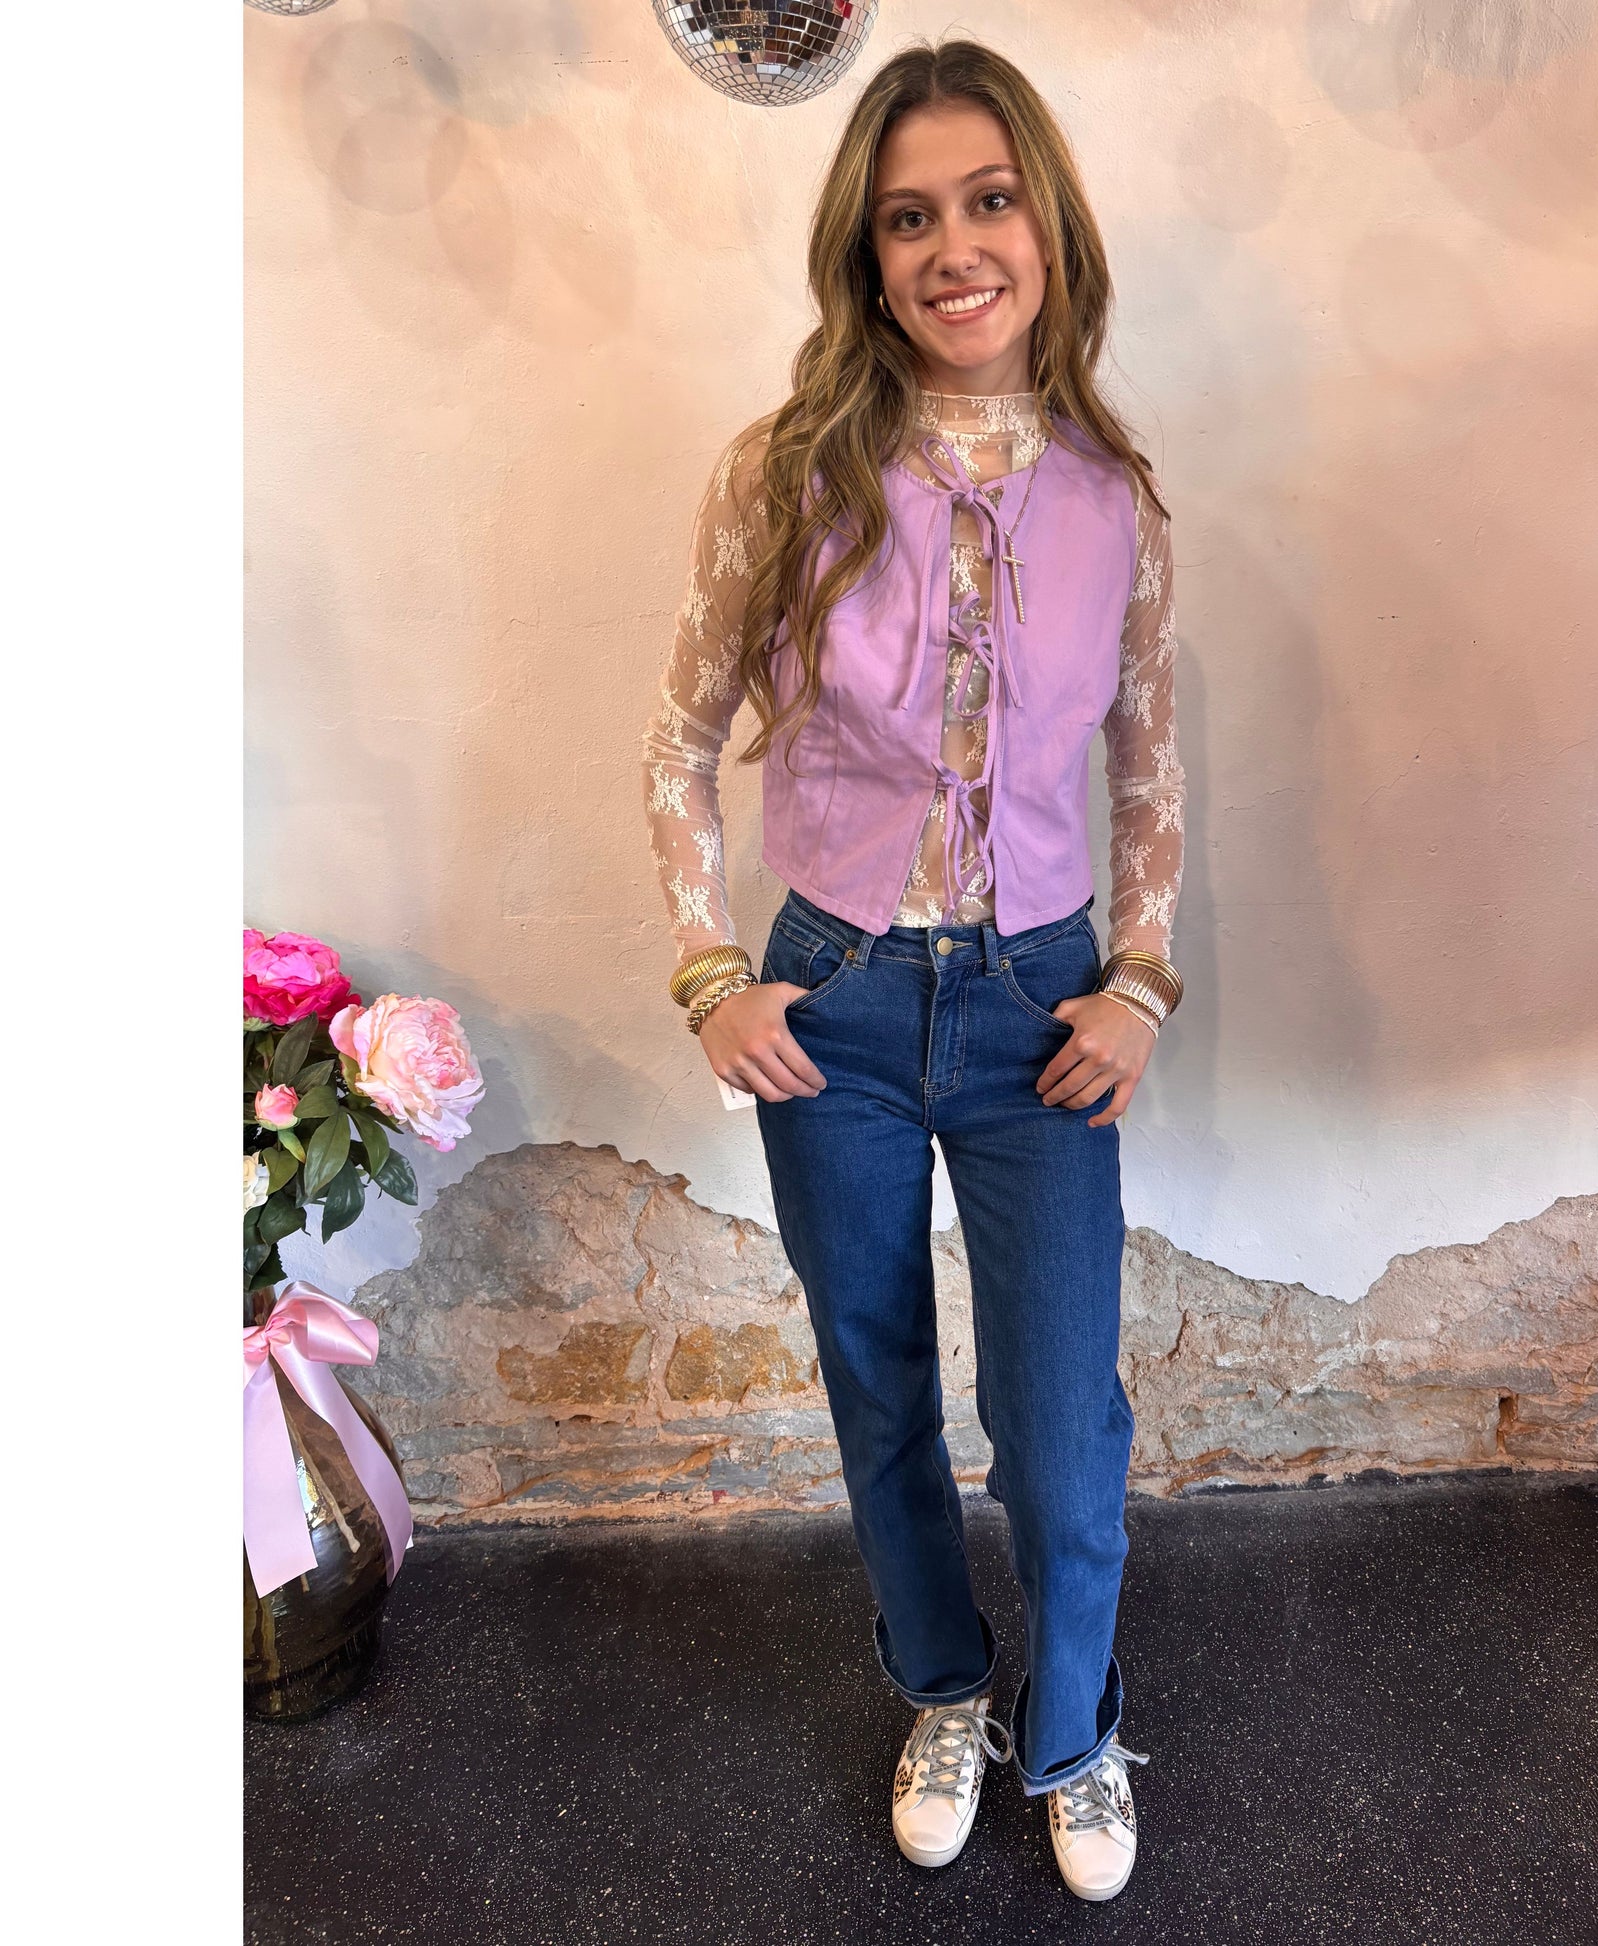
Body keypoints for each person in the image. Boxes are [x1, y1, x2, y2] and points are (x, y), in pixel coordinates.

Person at [640, 36, 1186, 1904]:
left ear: (1046, 225)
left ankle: (1075, 1727)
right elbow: (675, 737)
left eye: (988, 200)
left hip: (1042, 1007)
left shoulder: (1115, 499)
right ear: (866, 259)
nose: (954, 246)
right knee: (877, 1382)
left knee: (1059, 1422)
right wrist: (710, 969)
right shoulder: (785, 473)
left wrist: (1139, 980)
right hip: (836, 1003)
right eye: (906, 217)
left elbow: (1147, 768)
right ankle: (943, 1686)